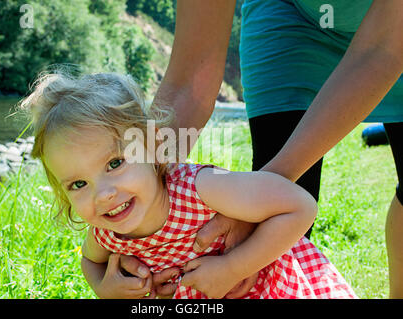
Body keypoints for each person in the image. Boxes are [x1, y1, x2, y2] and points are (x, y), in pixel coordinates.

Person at [18, 70, 357, 299]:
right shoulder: (106, 232)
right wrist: (104, 289)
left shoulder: (202, 188)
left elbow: (299, 206)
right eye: (78, 183)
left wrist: (233, 267)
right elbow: (90, 262)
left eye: (115, 163)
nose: (103, 194)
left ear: (152, 147)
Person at [145, 0, 403, 298]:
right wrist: (132, 193)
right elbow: (188, 83)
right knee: (267, 241)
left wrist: (257, 198)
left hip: (393, 31)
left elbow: (382, 50)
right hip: (291, 17)